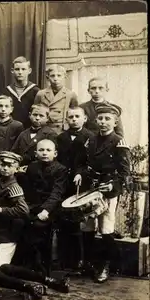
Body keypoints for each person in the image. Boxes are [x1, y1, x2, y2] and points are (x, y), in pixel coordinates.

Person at [73, 103, 130, 283]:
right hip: (90, 188)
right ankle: (89, 263)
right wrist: (79, 174)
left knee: (106, 228)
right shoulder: (90, 140)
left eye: (108, 119)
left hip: (108, 189)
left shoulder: (119, 142)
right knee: (87, 227)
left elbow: (125, 172)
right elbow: (81, 162)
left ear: (115, 122)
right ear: (95, 120)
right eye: (101, 118)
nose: (103, 122)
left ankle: (105, 265)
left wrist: (112, 186)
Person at [18, 139, 68, 276]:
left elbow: (56, 193)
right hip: (33, 205)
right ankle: (26, 266)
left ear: (55, 153)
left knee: (40, 227)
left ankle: (43, 269)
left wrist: (46, 210)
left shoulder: (60, 169)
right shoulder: (32, 167)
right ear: (35, 153)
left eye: (48, 150)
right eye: (41, 150)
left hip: (51, 207)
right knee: (21, 223)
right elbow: (28, 190)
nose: (44, 153)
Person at [55, 107, 94, 271]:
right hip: (64, 182)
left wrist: (80, 173)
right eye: (70, 117)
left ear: (84, 119)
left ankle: (81, 260)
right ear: (66, 120)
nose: (74, 119)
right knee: (64, 220)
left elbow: (89, 162)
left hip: (81, 184)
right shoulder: (61, 137)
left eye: (77, 116)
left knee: (80, 222)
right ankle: (64, 259)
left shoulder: (90, 137)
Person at [34, 64, 79, 135]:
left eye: (59, 75)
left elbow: (75, 113)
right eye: (52, 75)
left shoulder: (70, 94)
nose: (55, 78)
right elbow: (35, 112)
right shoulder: (41, 94)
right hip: (45, 129)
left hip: (62, 130)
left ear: (65, 76)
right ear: (47, 77)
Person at [4, 56, 40, 128]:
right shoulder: (6, 91)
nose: (20, 72)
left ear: (29, 71)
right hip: (10, 129)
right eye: (17, 69)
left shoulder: (36, 91)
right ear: (12, 70)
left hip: (29, 129)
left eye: (23, 69)